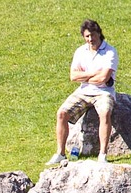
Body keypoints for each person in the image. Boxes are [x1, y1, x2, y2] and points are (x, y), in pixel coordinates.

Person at [47, 19, 119, 166]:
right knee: (61, 113)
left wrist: (86, 76)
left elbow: (104, 78)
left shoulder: (110, 51)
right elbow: (73, 76)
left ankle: (102, 154)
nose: (90, 39)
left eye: (92, 35)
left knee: (105, 113)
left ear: (99, 33)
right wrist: (94, 74)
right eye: (87, 36)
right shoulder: (80, 51)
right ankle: (60, 153)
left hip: (103, 92)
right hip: (84, 91)